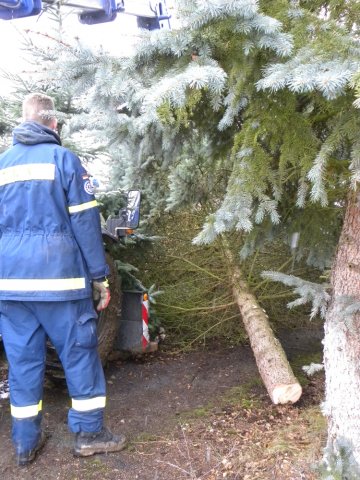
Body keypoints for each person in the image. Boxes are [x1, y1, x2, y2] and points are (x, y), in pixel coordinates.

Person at [0, 93, 126, 466]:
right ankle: (88, 434)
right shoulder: (64, 160)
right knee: (79, 354)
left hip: (10, 286)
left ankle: (25, 442)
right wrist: (100, 276)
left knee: (22, 362)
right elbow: (86, 223)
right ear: (53, 123)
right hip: (59, 282)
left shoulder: (2, 166)